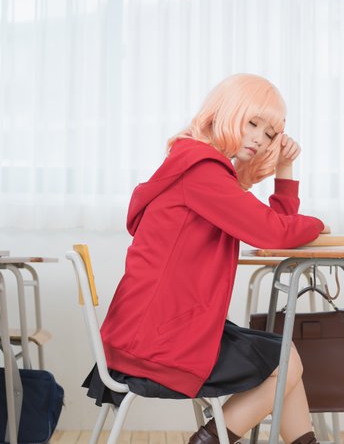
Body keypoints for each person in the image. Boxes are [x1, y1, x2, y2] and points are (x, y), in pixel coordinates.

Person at [83, 73, 326, 444]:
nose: (259, 139)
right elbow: (275, 232)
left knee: (285, 356)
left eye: (269, 133)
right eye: (253, 123)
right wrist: (319, 224)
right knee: (285, 362)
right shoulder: (201, 172)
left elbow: (274, 227)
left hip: (153, 328)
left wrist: (284, 168)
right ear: (226, 112)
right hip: (159, 340)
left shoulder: (195, 164)